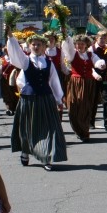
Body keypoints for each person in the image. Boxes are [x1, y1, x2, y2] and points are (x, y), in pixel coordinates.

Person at [6, 28, 67, 170]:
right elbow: (16, 52)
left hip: (45, 99)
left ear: (44, 47)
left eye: (39, 44)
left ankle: (45, 157)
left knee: (47, 128)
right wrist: (10, 36)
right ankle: (25, 151)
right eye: (33, 44)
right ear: (29, 46)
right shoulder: (26, 61)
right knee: (27, 127)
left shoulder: (49, 63)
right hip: (29, 100)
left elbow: (54, 82)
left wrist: (59, 100)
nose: (36, 46)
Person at [61, 32, 106, 142]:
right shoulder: (73, 54)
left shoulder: (90, 55)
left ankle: (84, 131)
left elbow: (97, 62)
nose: (79, 46)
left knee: (86, 107)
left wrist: (101, 64)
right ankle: (78, 129)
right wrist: (65, 34)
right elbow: (68, 47)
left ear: (86, 45)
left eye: (82, 44)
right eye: (77, 44)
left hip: (89, 84)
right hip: (76, 83)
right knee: (74, 107)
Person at [91, 30, 107, 132]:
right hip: (94, 77)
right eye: (101, 38)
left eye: (105, 38)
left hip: (105, 77)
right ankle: (91, 122)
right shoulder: (91, 49)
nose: (103, 40)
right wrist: (95, 75)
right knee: (93, 100)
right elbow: (89, 65)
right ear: (97, 38)